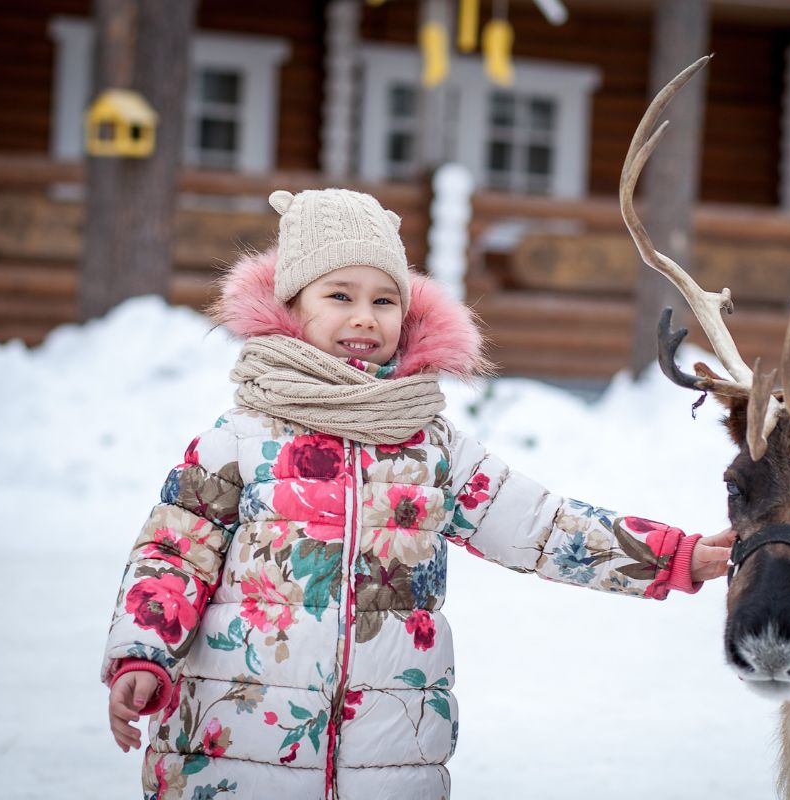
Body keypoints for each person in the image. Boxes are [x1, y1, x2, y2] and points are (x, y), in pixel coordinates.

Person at [102, 188, 735, 800]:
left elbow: (540, 525)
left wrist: (673, 556)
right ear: (292, 307)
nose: (364, 316)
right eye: (339, 295)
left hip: (389, 753)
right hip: (234, 748)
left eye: (384, 300)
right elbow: (173, 554)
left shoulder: (428, 445)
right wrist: (142, 654)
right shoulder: (241, 437)